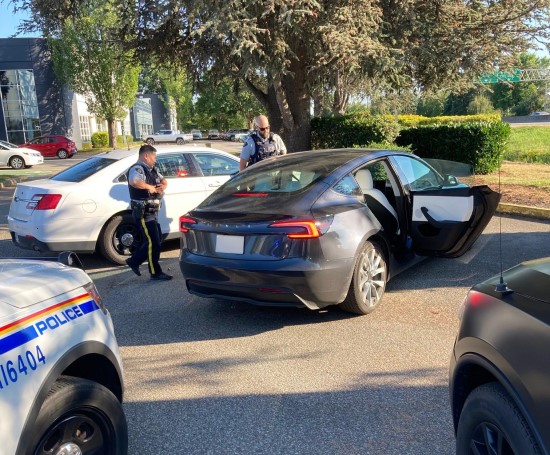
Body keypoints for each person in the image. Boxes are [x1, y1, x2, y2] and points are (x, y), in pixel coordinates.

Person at [125, 144, 172, 281]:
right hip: (144, 213)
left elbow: (163, 180)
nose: (155, 160)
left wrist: (162, 186)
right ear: (146, 155)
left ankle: (134, 261)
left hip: (152, 212)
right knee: (153, 242)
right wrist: (149, 187)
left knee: (155, 241)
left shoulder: (151, 170)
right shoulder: (138, 169)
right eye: (154, 156)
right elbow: (134, 181)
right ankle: (155, 272)